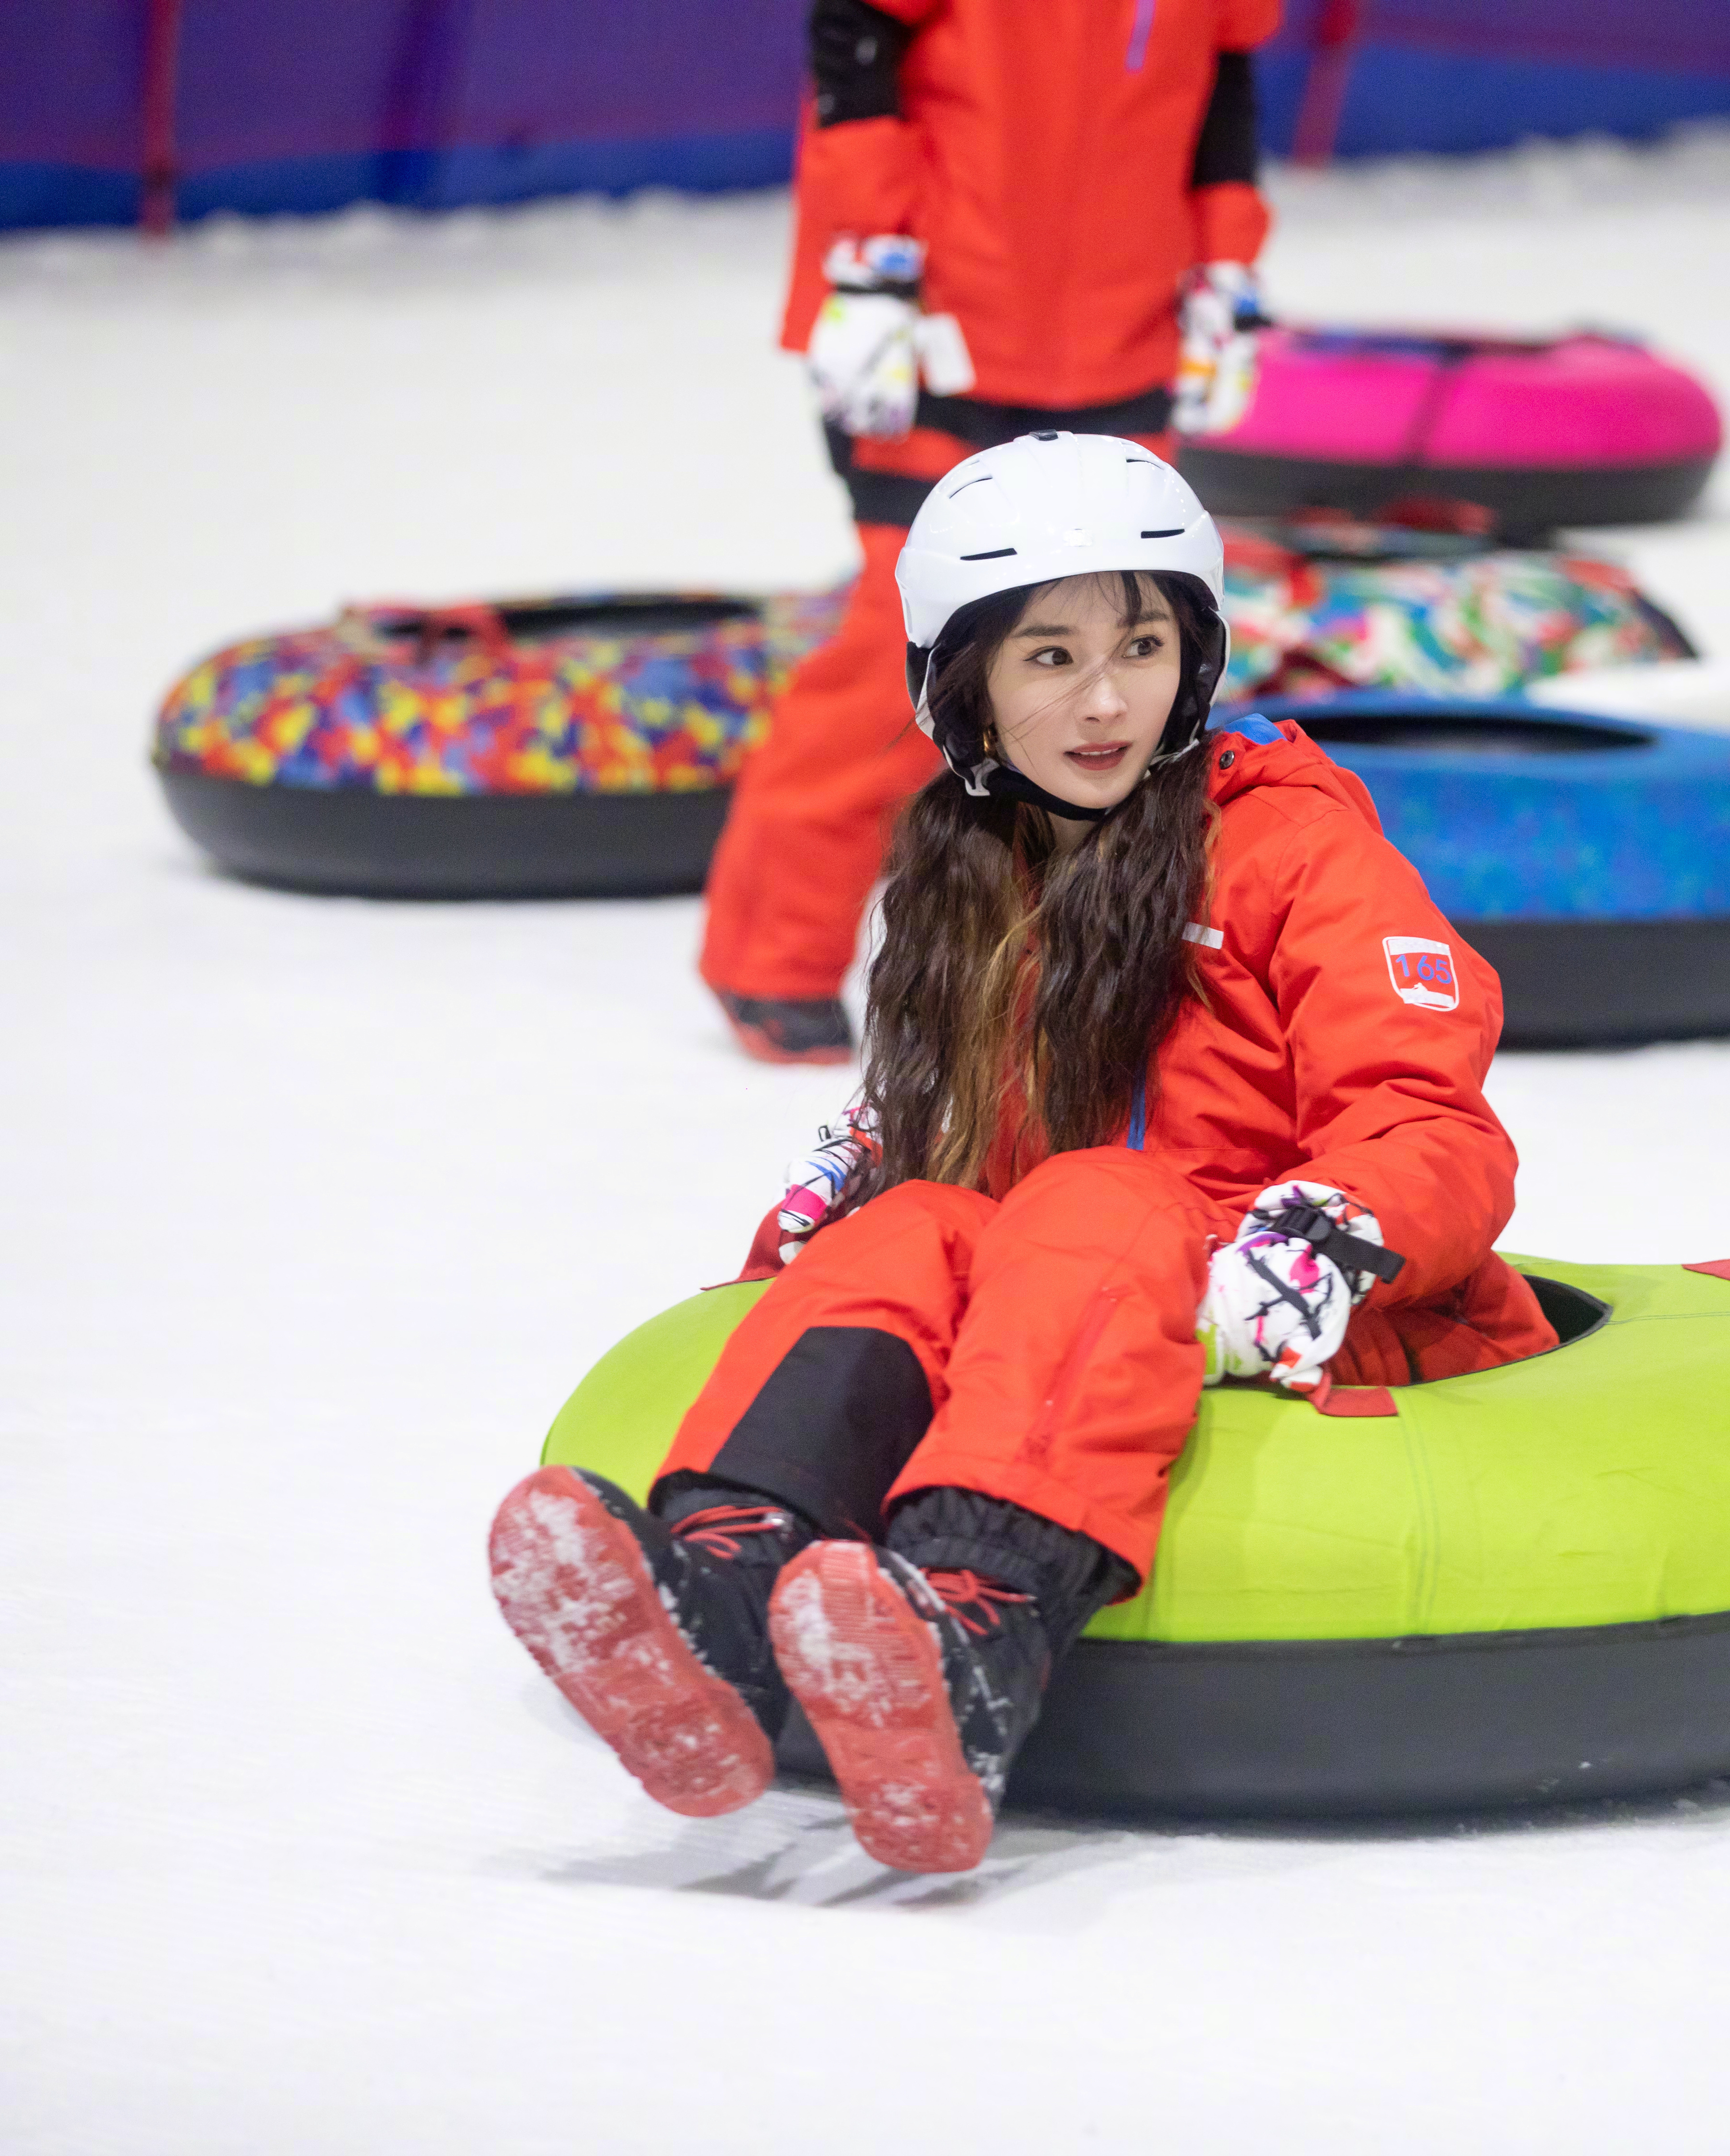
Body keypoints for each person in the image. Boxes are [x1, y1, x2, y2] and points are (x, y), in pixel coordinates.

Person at [490, 435, 1559, 1872]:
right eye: (1049, 658)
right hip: (1072, 1315)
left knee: (1095, 1200)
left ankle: (977, 1627)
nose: (1109, 699)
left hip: (1307, 1318)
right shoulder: (972, 874)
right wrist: (814, 1240)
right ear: (967, 687)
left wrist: (1313, 1252)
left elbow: (1426, 1114)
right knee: (918, 1217)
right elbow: (947, 1169)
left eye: (1143, 643)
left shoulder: (1294, 854)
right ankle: (727, 1601)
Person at [698, 0, 1282, 1064]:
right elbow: (855, 42)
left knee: (1122, 674)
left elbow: (1225, 86)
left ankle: (1086, 991)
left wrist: (1226, 268)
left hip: (1125, 336)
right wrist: (869, 259)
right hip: (934, 330)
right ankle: (773, 954)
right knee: (905, 655)